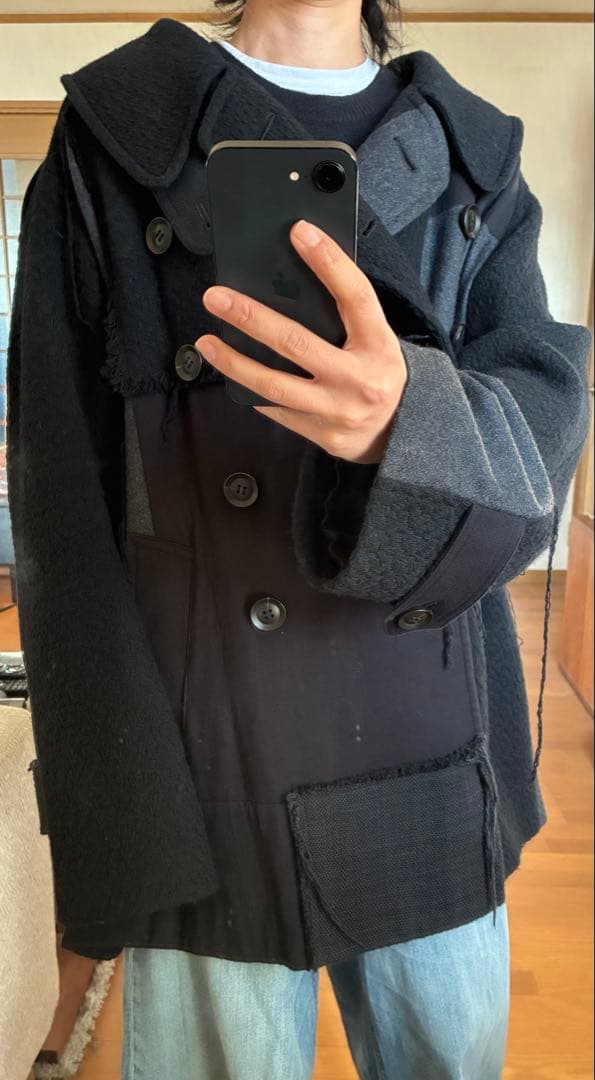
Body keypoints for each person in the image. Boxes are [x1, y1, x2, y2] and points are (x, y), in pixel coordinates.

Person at [6, 2, 592, 1078]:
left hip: (427, 726)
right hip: (207, 742)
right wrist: (113, 794)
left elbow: (546, 400)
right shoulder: (118, 127)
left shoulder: (474, 150)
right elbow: (60, 489)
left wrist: (409, 420)